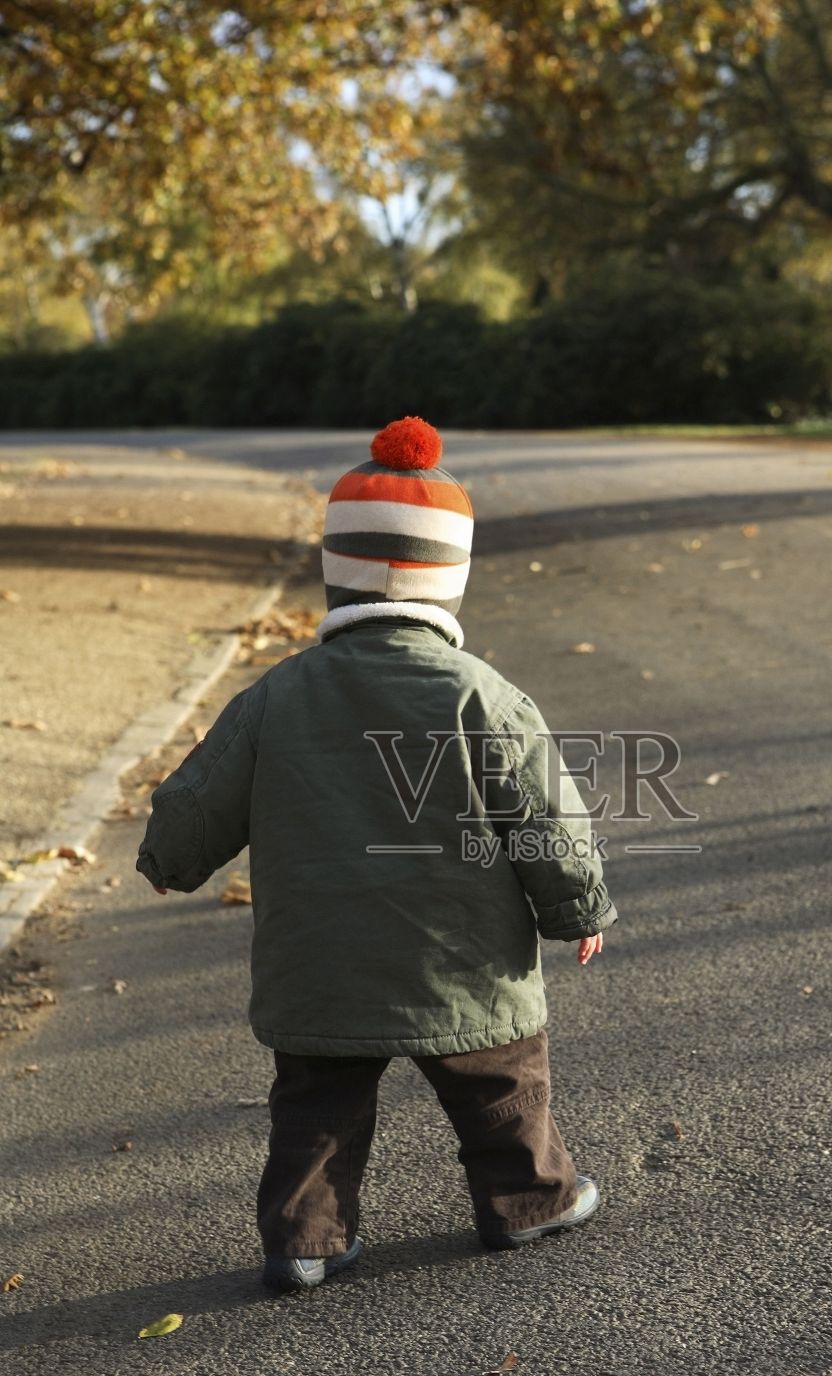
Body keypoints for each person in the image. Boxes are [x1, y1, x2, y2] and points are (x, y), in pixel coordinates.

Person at [136, 416, 618, 1291]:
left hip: (322, 958)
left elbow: (202, 792)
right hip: (461, 956)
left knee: (317, 1105)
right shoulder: (485, 696)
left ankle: (304, 1241)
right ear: (449, 581)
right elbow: (547, 816)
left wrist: (171, 858)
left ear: (338, 576)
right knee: (502, 1083)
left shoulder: (279, 694)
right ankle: (527, 1203)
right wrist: (575, 908)